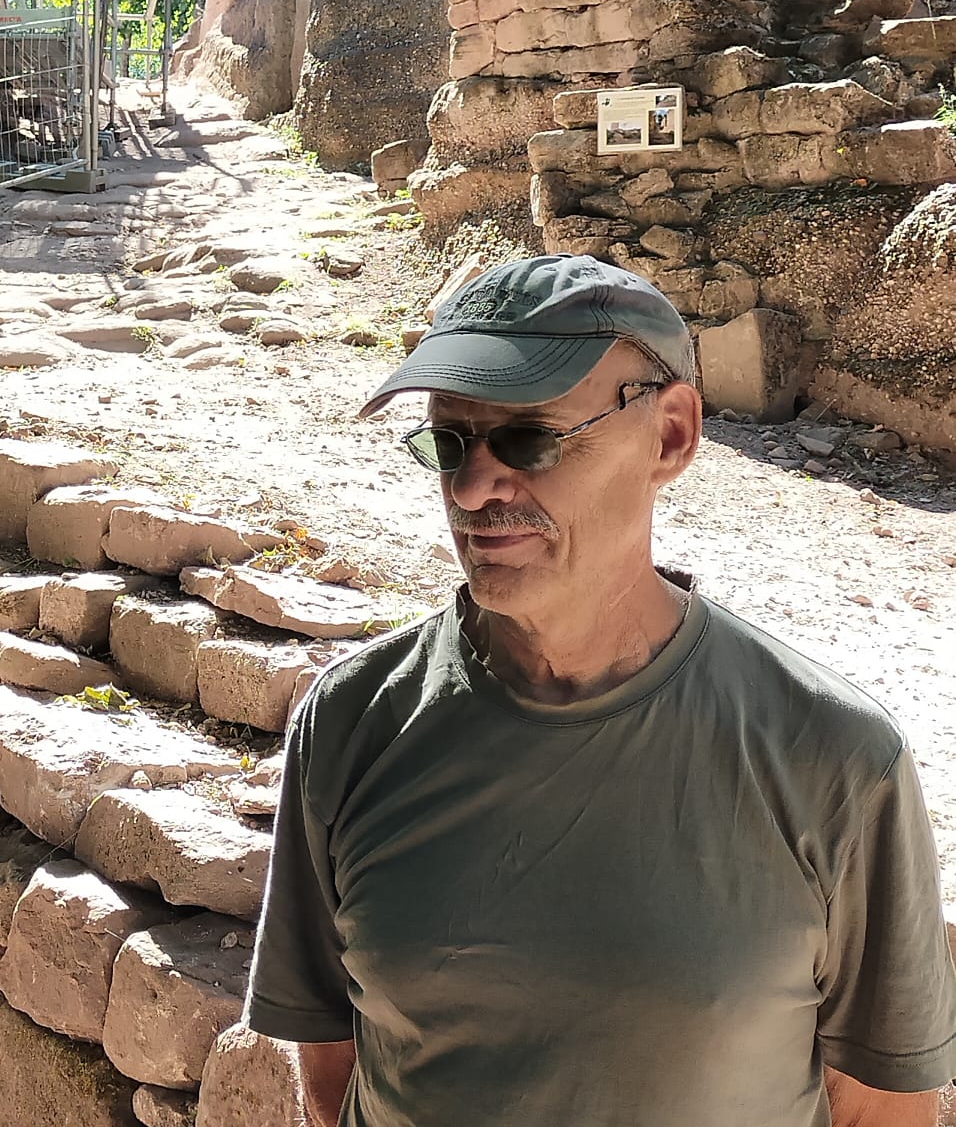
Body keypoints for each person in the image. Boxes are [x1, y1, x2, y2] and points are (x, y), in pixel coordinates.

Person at [244, 254, 956, 1127]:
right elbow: (331, 1064)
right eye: (449, 442)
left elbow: (881, 1108)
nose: (472, 488)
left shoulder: (835, 759)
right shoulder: (353, 719)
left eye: (530, 440)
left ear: (671, 436)